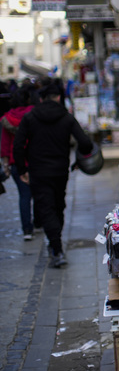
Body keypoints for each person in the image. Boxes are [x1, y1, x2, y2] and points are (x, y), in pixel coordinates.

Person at [13, 83, 94, 268]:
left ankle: (56, 248)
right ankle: (56, 245)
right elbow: (85, 143)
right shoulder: (66, 117)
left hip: (38, 171)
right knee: (58, 206)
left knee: (46, 207)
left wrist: (22, 170)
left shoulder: (30, 117)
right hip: (59, 171)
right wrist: (79, 161)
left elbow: (18, 146)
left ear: (41, 99)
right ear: (58, 97)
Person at [1, 82, 38, 239]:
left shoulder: (7, 119)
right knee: (38, 193)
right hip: (35, 160)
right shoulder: (35, 114)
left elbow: (4, 144)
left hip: (16, 162)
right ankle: (39, 221)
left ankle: (27, 230)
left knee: (24, 195)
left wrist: (5, 163)